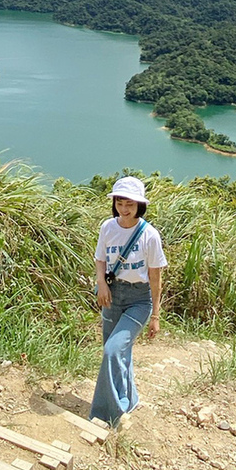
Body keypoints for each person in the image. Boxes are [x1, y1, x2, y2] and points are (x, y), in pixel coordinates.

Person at [89, 176, 167, 428]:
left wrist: (155, 315)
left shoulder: (149, 235)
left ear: (139, 205)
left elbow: (155, 277)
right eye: (120, 203)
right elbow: (100, 258)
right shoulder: (107, 227)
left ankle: (108, 414)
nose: (124, 209)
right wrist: (101, 284)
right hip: (112, 294)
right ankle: (129, 398)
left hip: (139, 299)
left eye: (129, 204)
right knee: (119, 351)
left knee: (112, 351)